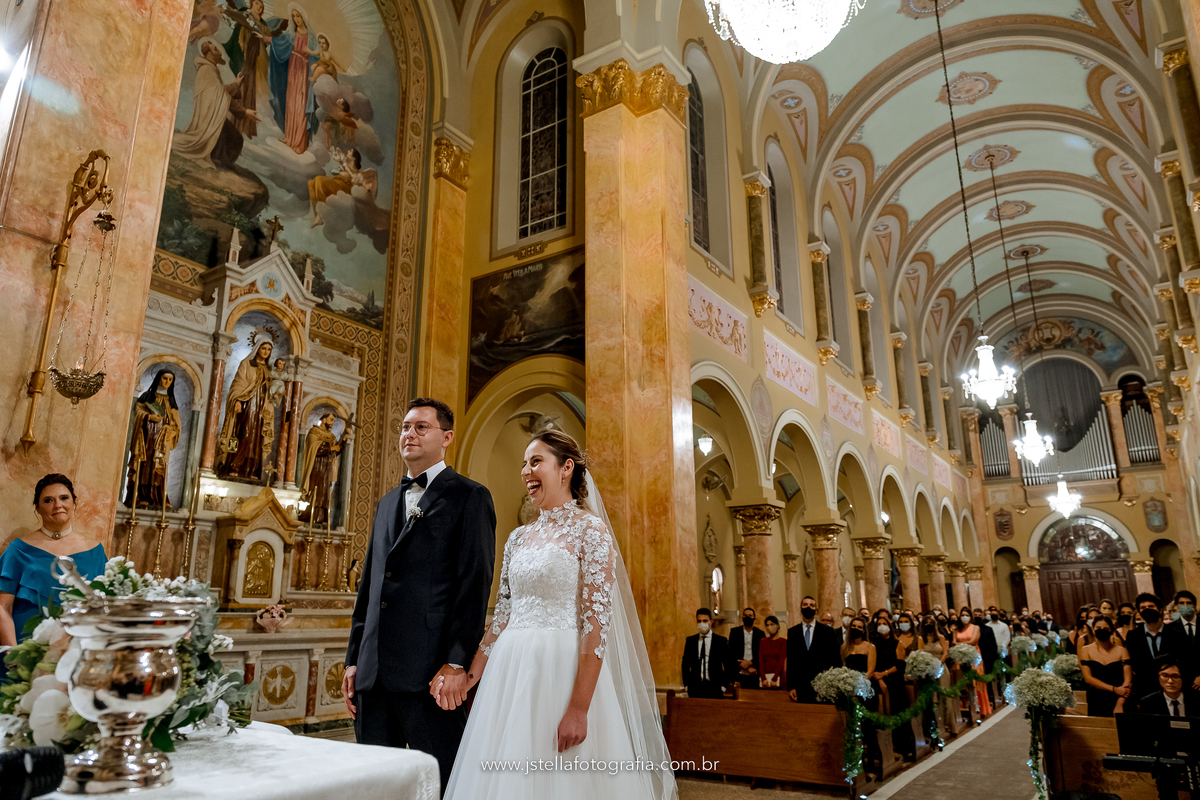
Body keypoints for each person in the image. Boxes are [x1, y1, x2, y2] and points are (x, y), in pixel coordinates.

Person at [442, 430, 676, 799]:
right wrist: (469, 678)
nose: (525, 471)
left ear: (566, 468)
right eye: (523, 463)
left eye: (535, 461)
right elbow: (502, 615)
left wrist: (579, 709)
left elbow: (596, 626)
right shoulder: (517, 537)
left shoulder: (591, 532)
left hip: (560, 674)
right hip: (509, 675)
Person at [343, 398, 497, 792]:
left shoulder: (470, 497)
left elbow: (473, 585)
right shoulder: (387, 503)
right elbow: (370, 588)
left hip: (431, 676)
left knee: (446, 783)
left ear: (446, 437)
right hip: (373, 677)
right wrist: (353, 660)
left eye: (421, 427)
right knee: (376, 786)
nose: (408, 434)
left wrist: (456, 662)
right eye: (405, 427)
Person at [0, 475, 106, 646]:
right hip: (24, 651)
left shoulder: (96, 552)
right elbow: (2, 608)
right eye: (48, 500)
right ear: (38, 508)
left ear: (74, 503)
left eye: (64, 498)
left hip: (76, 650)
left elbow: (104, 609)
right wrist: (12, 654)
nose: (58, 505)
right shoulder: (19, 549)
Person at [217, 337, 275, 480]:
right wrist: (237, 400)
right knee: (244, 435)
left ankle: (252, 469)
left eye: (269, 349)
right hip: (247, 405)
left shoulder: (269, 370)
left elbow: (272, 391)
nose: (266, 352)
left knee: (257, 439)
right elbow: (239, 383)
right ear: (257, 349)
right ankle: (235, 465)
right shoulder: (247, 364)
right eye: (263, 348)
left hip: (262, 408)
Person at [124, 368, 182, 510]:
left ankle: (158, 497)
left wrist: (171, 431)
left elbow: (177, 425)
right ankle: (140, 496)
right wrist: (149, 417)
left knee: (159, 468)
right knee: (144, 465)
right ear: (158, 379)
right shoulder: (147, 397)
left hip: (162, 441)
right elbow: (137, 413)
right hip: (146, 437)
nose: (167, 382)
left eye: (170, 380)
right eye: (164, 378)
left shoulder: (171, 403)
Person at [1126, 592, 1183, 700]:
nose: (1147, 609)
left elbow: (1183, 660)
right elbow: (1134, 663)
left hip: (1173, 688)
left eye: (1151, 606)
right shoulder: (1133, 636)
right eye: (1143, 608)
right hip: (1145, 690)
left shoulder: (1177, 635)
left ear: (1160, 610)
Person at [787, 596, 840, 703]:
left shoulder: (828, 631)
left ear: (816, 610)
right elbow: (791, 661)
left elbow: (835, 659)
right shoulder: (793, 632)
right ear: (800, 608)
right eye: (805, 604)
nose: (808, 607)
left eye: (812, 605)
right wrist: (791, 686)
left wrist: (834, 685)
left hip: (823, 685)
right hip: (801, 685)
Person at [1078, 616, 1132, 717]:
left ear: (1111, 630)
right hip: (1097, 699)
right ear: (1093, 630)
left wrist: (1120, 703)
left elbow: (1128, 680)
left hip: (1121, 697)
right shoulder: (1085, 650)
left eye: (1106, 629)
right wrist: (1114, 689)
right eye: (1098, 628)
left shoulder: (1122, 651)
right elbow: (1088, 678)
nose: (1102, 631)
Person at [683, 608, 729, 699]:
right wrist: (687, 684)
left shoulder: (720, 641)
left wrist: (724, 686)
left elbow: (728, 664)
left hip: (714, 687)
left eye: (705, 621)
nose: (702, 624)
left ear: (710, 622)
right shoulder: (691, 641)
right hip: (695, 687)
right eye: (699, 621)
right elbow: (685, 664)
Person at [954, 606, 992, 716]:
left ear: (970, 617)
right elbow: (953, 642)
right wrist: (960, 645)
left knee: (977, 682)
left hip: (974, 656)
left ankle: (980, 707)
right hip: (960, 657)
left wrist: (959, 644)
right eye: (962, 615)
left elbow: (973, 641)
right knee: (964, 682)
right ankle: (967, 709)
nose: (964, 617)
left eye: (967, 615)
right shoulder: (956, 629)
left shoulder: (975, 628)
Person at [1166, 589, 1200, 688]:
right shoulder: (1169, 629)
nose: (1185, 606)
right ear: (1176, 606)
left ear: (1194, 605)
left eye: (1189, 603)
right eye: (1181, 603)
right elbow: (1170, 655)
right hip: (1182, 681)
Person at [728, 606, 764, 687]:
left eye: (750, 615)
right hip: (739, 671)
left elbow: (761, 654)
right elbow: (731, 653)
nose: (747, 617)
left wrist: (751, 663)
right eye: (745, 615)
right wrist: (745, 666)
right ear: (742, 617)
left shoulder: (760, 634)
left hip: (754, 672)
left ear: (754, 618)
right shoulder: (735, 632)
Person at [759, 615, 786, 688]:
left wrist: (775, 678)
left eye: (772, 624)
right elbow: (761, 660)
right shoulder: (763, 641)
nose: (769, 627)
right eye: (767, 625)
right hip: (765, 676)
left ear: (777, 626)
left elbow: (781, 660)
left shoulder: (783, 641)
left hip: (778, 676)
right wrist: (763, 678)